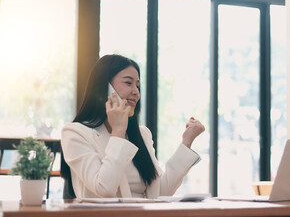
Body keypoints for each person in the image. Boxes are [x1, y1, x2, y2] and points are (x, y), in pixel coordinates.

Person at [60, 54, 205, 199]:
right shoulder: (75, 133)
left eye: (138, 85)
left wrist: (187, 141)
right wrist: (118, 131)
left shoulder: (142, 134)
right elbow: (104, 188)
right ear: (105, 87)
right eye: (128, 83)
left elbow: (160, 193)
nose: (136, 92)